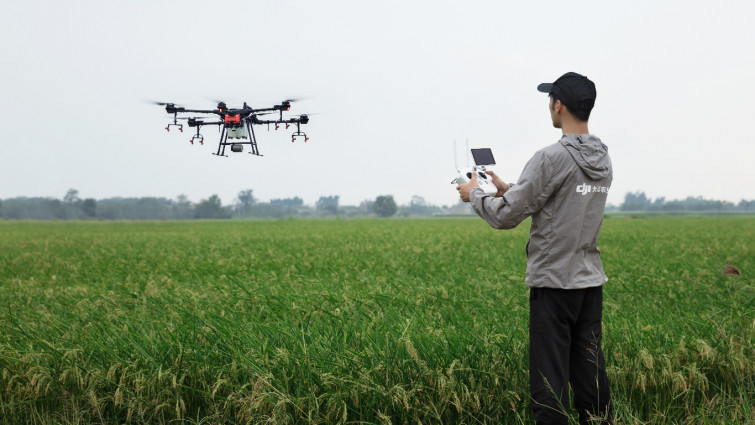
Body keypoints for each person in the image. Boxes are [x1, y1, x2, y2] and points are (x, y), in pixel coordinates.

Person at [456, 72, 614, 425]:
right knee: (590, 372)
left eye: (550, 101)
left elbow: (506, 217)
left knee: (549, 379)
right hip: (589, 282)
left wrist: (476, 195)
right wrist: (509, 187)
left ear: (558, 105)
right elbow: (561, 198)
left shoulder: (550, 157)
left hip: (554, 284)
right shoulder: (603, 157)